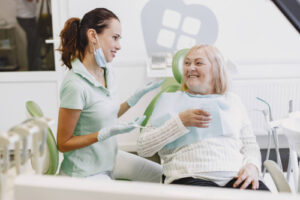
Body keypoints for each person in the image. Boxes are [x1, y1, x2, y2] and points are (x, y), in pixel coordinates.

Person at [137, 44, 269, 191]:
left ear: (216, 69)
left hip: (236, 177)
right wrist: (180, 122)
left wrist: (253, 167)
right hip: (190, 176)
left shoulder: (233, 100)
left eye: (198, 63)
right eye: (187, 63)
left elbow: (250, 145)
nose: (190, 68)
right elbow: (144, 148)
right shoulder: (169, 100)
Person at [57, 8, 162, 181]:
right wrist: (102, 134)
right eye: (114, 37)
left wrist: (133, 100)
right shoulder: (75, 85)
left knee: (161, 176)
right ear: (93, 36)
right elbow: (63, 143)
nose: (119, 46)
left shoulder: (106, 71)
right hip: (84, 172)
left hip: (109, 160)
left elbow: (106, 114)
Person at [16, 0, 40, 70]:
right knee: (35, 44)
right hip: (25, 18)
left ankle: (33, 67)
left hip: (30, 17)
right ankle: (34, 68)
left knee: (33, 43)